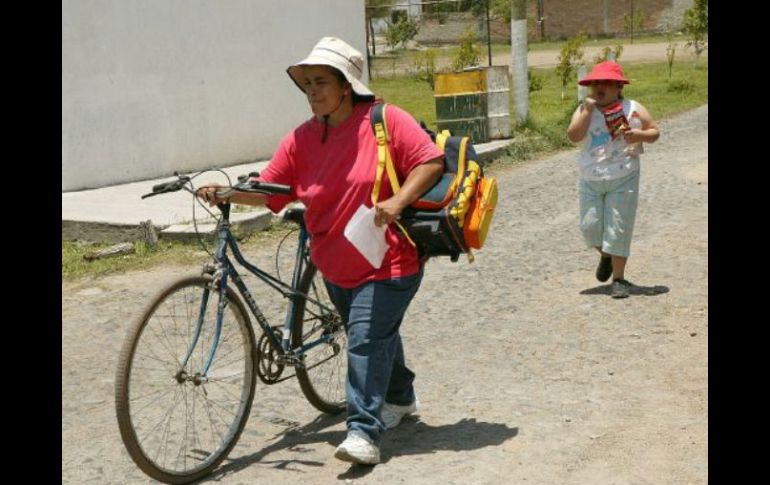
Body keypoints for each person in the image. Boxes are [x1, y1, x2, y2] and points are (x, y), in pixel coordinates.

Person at [197, 37, 444, 464]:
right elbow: (274, 189)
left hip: (389, 258)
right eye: (306, 83)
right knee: (374, 336)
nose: (311, 90)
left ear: (346, 85)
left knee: (365, 339)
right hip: (334, 264)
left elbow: (429, 161)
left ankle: (364, 431)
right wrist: (228, 193)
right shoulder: (301, 139)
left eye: (321, 81)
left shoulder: (384, 120)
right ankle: (400, 398)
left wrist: (398, 200)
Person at [566, 61, 660, 299]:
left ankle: (619, 279)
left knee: (618, 227)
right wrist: (587, 112)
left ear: (618, 87)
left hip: (624, 176)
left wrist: (639, 135)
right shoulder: (584, 110)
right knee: (590, 228)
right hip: (591, 178)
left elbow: (654, 131)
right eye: (595, 83)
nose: (599, 87)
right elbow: (573, 136)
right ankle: (606, 255)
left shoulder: (632, 108)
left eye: (606, 82)